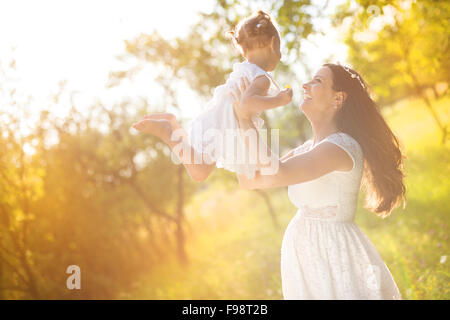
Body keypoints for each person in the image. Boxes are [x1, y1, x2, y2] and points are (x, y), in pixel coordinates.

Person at [231, 63, 406, 299]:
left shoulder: (342, 147)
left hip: (332, 255)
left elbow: (278, 173)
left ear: (338, 99)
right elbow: (250, 180)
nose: (305, 85)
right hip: (306, 256)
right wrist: (241, 117)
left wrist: (246, 121)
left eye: (317, 81)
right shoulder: (308, 148)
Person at [132, 10, 292, 181]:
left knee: (198, 164)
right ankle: (167, 131)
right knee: (200, 172)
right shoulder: (261, 78)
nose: (280, 55)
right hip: (223, 125)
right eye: (280, 49)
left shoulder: (246, 69)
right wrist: (279, 100)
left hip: (215, 119)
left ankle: (172, 123)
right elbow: (247, 103)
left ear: (244, 51)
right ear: (273, 44)